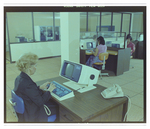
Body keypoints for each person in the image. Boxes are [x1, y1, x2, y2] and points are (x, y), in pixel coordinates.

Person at [14, 52, 58, 122]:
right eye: (35, 65)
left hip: (27, 109)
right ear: (29, 68)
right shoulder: (28, 83)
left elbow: (28, 92)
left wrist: (39, 87)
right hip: (34, 114)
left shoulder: (19, 78)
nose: (36, 68)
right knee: (58, 108)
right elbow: (40, 102)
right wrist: (49, 91)